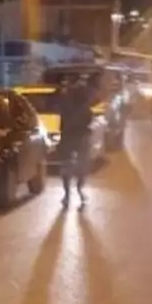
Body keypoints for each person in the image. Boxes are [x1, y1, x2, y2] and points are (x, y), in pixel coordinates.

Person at [58, 74, 95, 209]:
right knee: (81, 167)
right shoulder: (84, 104)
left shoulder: (66, 101)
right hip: (81, 138)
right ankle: (79, 191)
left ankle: (67, 195)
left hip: (68, 137)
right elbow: (89, 119)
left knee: (66, 167)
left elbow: (62, 121)